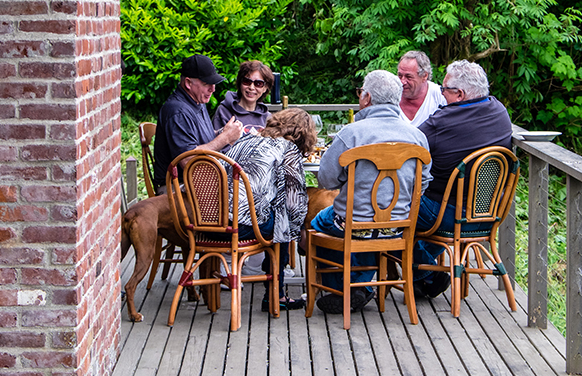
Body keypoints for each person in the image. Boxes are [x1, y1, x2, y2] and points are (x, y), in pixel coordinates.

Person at [311, 70, 431, 314]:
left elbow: (326, 179)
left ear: (366, 98)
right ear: (397, 99)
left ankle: (339, 287)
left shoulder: (351, 133)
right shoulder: (417, 136)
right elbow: (424, 181)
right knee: (370, 224)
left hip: (351, 225)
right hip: (399, 226)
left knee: (319, 222)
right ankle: (362, 285)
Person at [413, 60, 513, 298]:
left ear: (459, 94)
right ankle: (424, 276)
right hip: (489, 215)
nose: (441, 94)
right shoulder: (499, 110)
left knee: (391, 205)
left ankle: (421, 275)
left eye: (444, 90)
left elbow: (411, 143)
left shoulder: (442, 122)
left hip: (447, 216)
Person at [214, 108, 317, 311]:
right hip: (243, 226)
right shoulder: (287, 150)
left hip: (213, 223)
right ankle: (275, 295)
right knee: (283, 223)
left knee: (278, 218)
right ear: (303, 135)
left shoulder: (244, 141)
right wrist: (302, 234)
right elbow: (294, 204)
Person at [152, 54, 243, 192]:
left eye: (213, 84)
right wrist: (225, 138)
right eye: (206, 84)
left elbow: (198, 139)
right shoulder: (178, 112)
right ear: (188, 83)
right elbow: (189, 161)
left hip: (196, 182)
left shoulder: (196, 101)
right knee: (242, 192)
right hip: (176, 189)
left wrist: (222, 132)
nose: (213, 89)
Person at [212, 60, 273, 134]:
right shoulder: (224, 112)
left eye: (258, 83)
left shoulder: (268, 118)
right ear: (240, 83)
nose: (251, 87)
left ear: (265, 88)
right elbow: (217, 142)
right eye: (247, 81)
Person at [397, 50, 447, 127]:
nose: (402, 82)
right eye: (400, 76)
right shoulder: (391, 95)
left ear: (424, 76)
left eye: (408, 77)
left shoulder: (440, 96)